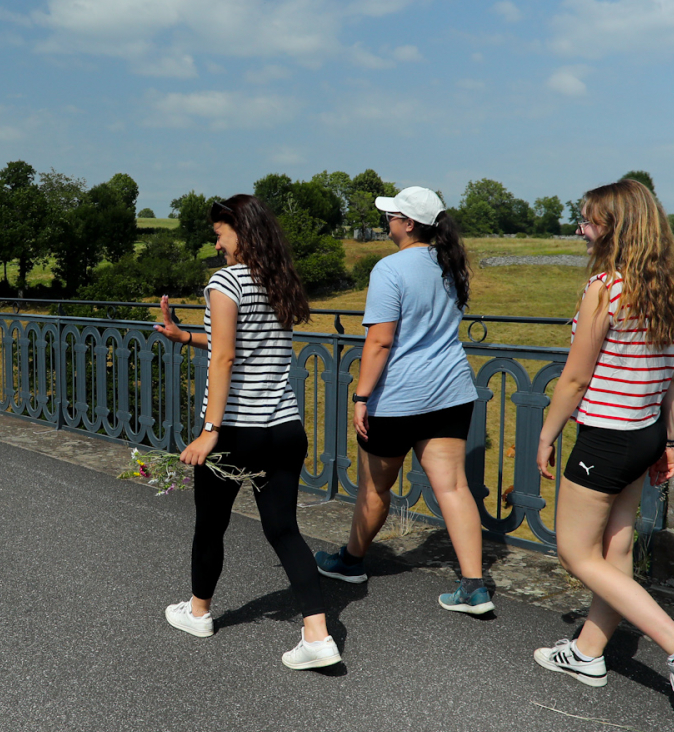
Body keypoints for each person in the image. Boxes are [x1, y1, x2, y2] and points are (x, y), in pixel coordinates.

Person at [531, 178, 674, 720]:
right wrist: (668, 442)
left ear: (614, 228)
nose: (580, 229)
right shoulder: (666, 290)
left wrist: (546, 436)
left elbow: (573, 380)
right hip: (643, 433)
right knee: (614, 553)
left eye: (589, 221)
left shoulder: (605, 288)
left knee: (575, 553)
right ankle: (589, 652)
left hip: (607, 438)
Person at [152, 195, 339, 670]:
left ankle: (198, 613)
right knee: (283, 531)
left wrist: (209, 430)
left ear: (242, 232)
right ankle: (317, 636)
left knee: (210, 525)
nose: (217, 244)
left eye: (220, 233)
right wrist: (184, 335)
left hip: (238, 429)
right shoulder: (278, 281)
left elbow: (225, 358)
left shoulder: (226, 281)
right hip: (284, 428)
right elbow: (239, 344)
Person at [314, 186, 492, 615]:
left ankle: (351, 562)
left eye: (391, 215)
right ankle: (473, 586)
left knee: (375, 488)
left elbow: (379, 341)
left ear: (408, 224)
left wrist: (361, 396)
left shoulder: (389, 269)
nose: (386, 221)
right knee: (453, 487)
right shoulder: (450, 264)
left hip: (398, 398)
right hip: (450, 392)